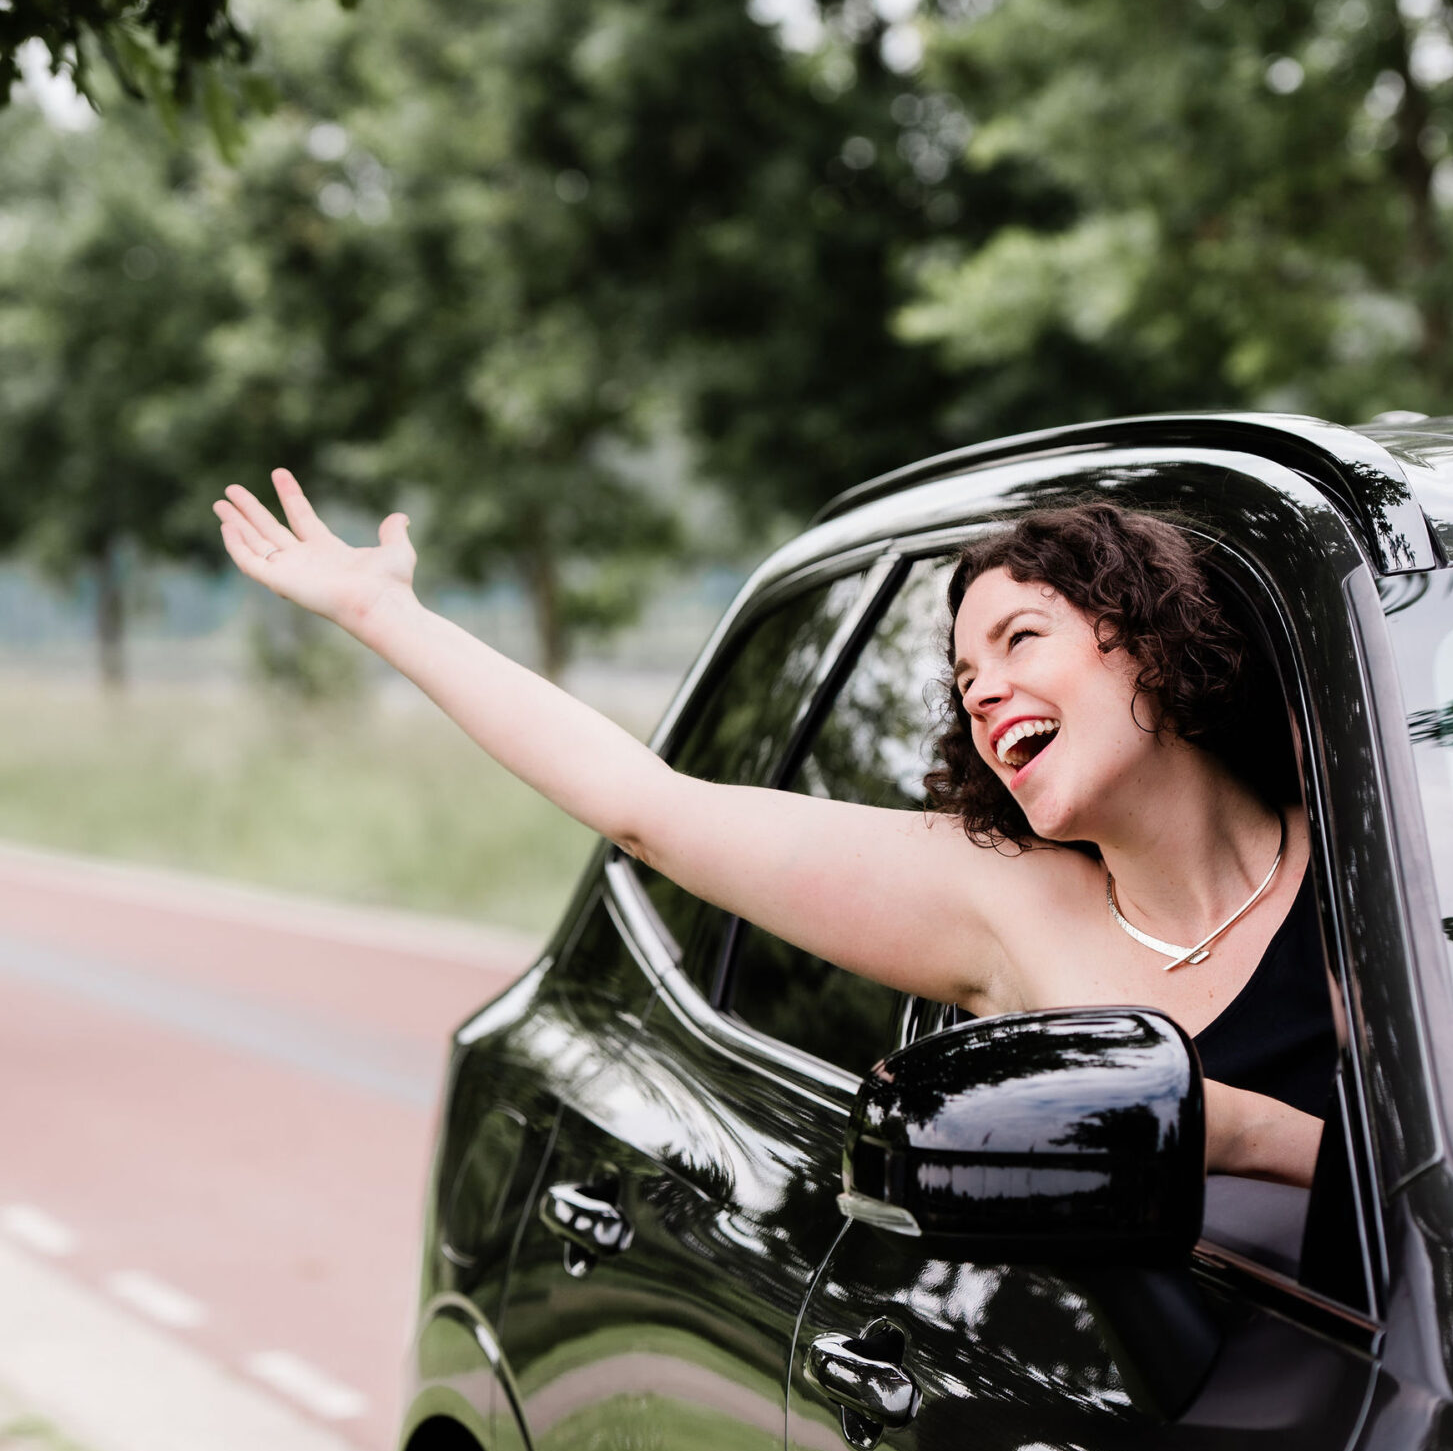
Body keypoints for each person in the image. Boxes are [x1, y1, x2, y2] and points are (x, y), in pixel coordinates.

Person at [214, 475, 1336, 1186]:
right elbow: (646, 809)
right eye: (962, 672)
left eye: (1020, 637)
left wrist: (1250, 1138)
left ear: (1148, 635)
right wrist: (384, 615)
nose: (983, 689)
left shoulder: (1367, 855)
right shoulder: (997, 900)